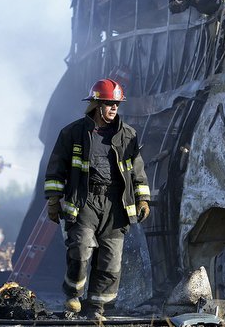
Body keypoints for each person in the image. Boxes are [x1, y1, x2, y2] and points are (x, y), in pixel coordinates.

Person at [45, 78, 150, 320]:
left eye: (117, 104)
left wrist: (143, 199)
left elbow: (137, 171)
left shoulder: (128, 135)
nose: (114, 108)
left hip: (116, 205)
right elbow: (56, 169)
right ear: (95, 104)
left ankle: (96, 309)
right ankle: (73, 294)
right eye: (109, 103)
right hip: (85, 201)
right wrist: (53, 200)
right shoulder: (73, 133)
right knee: (81, 249)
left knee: (110, 262)